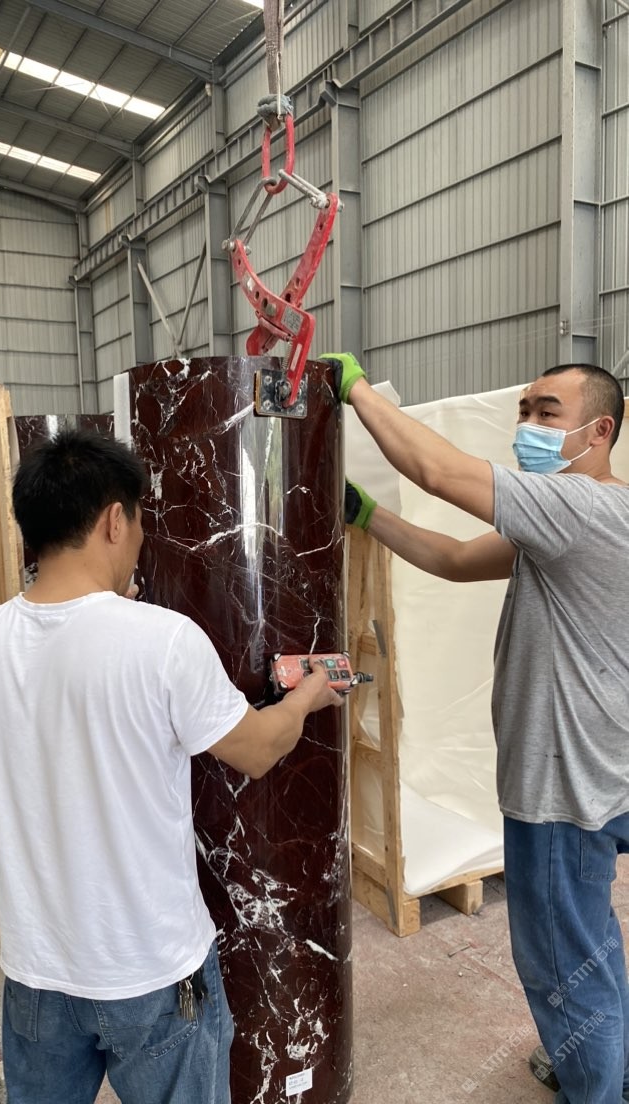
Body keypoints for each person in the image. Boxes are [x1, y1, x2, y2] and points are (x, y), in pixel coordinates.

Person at [0, 429, 345, 1104]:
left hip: (36, 973)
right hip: (157, 974)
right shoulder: (164, 642)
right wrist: (309, 695)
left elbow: (54, 706)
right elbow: (257, 749)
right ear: (115, 520)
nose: (140, 538)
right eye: (138, 522)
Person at [322, 352, 629, 1104]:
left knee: (561, 963)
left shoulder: (575, 506)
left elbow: (437, 471)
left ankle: (596, 1088)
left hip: (561, 785)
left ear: (600, 431)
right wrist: (369, 515)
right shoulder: (601, 512)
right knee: (588, 940)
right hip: (605, 766)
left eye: (547, 413)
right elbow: (459, 560)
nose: (527, 425)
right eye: (524, 410)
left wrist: (356, 390)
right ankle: (614, 1067)